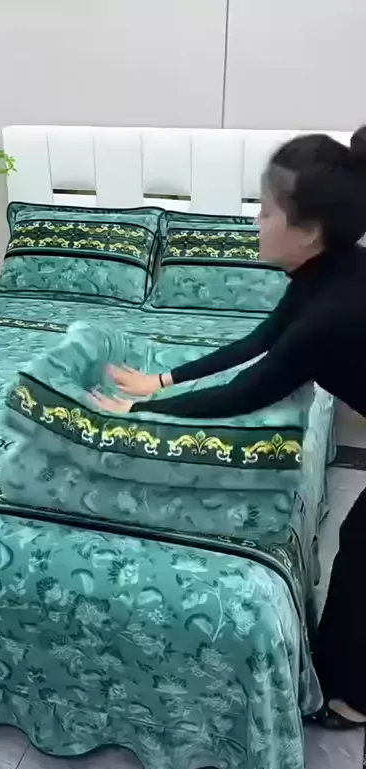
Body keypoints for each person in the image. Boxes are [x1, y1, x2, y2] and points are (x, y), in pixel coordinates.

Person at [90, 128, 366, 729]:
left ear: (307, 230)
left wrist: (135, 414)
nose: (253, 221)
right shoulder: (329, 270)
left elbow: (245, 392)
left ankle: (351, 696)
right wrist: (162, 380)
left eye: (265, 210)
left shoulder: (330, 310)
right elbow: (260, 339)